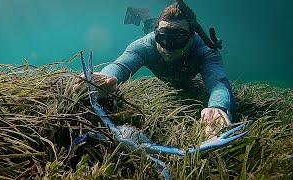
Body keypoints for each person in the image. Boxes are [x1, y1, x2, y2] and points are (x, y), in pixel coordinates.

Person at [74, 2, 235, 137]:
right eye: (163, 37)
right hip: (153, 27)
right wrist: (104, 77)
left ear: (191, 37)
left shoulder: (205, 50)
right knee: (149, 25)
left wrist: (218, 107)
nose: (168, 47)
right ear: (156, 34)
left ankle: (151, 22)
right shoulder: (145, 45)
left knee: (153, 26)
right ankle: (146, 19)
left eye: (178, 38)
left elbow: (218, 82)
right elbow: (120, 66)